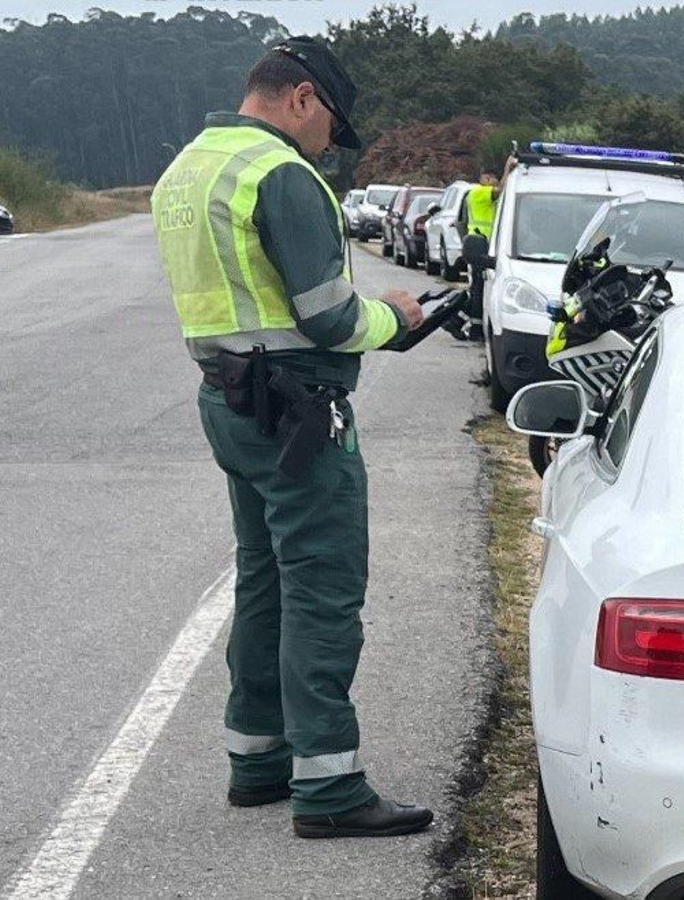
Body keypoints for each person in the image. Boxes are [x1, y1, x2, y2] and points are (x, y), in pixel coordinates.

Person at [150, 35, 433, 839]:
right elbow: (332, 317)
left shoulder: (187, 170)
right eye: (330, 128)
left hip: (230, 400)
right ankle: (331, 788)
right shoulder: (280, 173)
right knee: (322, 589)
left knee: (265, 580)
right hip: (301, 411)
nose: (328, 147)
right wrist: (400, 317)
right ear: (302, 98)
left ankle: (258, 761)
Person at [460, 166, 503, 339]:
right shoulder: (478, 192)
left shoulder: (485, 195)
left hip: (485, 246)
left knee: (479, 288)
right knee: (478, 288)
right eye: (492, 178)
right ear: (484, 178)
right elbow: (499, 191)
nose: (495, 181)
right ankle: (473, 327)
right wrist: (507, 167)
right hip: (478, 246)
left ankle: (468, 322)